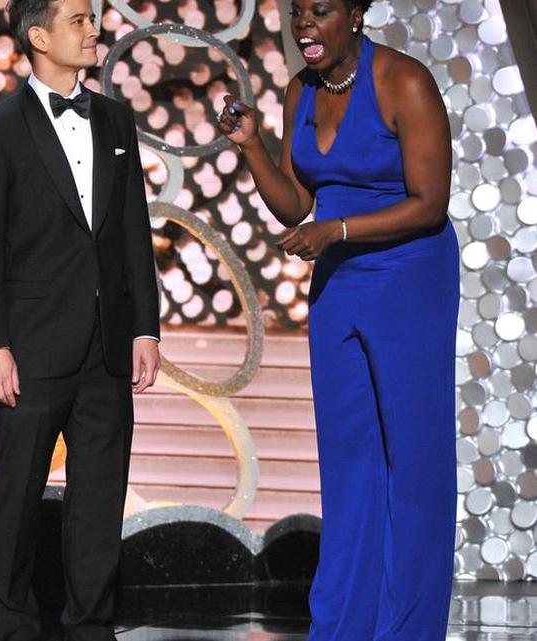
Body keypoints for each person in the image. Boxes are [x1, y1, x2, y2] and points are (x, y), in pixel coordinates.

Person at [217, 1, 457, 638]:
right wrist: (253, 148)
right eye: (297, 13)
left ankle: (407, 627)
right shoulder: (301, 89)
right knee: (349, 460)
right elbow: (295, 202)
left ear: (355, 14)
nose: (304, 26)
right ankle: (344, 625)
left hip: (409, 278)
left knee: (413, 459)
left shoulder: (404, 82)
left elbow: (431, 204)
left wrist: (340, 227)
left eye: (320, 11)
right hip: (339, 282)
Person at [0, 0, 162, 637]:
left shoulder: (116, 118)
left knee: (100, 499)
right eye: (79, 19)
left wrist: (144, 327)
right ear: (39, 36)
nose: (94, 29)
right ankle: (9, 624)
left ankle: (92, 622)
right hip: (31, 345)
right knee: (15, 496)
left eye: (93, 17)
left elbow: (133, 230)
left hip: (107, 345)